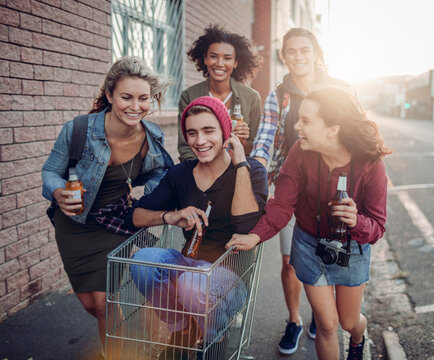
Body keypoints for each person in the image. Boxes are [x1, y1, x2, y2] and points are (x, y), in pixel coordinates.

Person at [227, 87, 391, 360]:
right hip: (307, 244)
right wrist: (255, 237)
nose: (296, 126)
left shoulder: (371, 165)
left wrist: (357, 221)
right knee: (327, 325)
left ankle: (359, 337)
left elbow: (377, 226)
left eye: (306, 121)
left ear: (332, 129)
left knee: (348, 322)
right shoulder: (300, 151)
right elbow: (281, 205)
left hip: (352, 248)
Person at [41, 56, 174, 356]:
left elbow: (160, 172)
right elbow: (50, 171)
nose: (135, 106)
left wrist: (144, 196)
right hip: (73, 226)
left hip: (116, 222)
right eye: (127, 97)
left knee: (105, 303)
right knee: (91, 304)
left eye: (144, 99)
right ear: (110, 94)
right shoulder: (78, 130)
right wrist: (58, 191)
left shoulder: (151, 138)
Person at [127, 96, 268, 357]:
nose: (200, 141)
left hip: (229, 274)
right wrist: (171, 216)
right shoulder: (181, 174)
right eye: (192, 133)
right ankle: (182, 331)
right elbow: (136, 216)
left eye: (208, 130)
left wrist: (241, 165)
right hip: (187, 261)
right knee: (142, 261)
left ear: (226, 133)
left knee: (193, 284)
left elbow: (247, 224)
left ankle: (213, 340)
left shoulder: (252, 172)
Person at [250, 27, 350, 354]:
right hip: (290, 183)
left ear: (316, 53)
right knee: (291, 260)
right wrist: (254, 167)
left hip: (332, 186)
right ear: (284, 56)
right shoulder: (279, 96)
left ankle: (321, 318)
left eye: (304, 50)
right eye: (290, 51)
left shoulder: (339, 90)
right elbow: (265, 139)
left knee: (332, 254)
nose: (298, 57)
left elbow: (355, 135)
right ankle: (294, 319)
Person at [178, 25, 262, 161]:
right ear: (205, 59)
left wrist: (244, 142)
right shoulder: (189, 96)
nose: (219, 63)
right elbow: (185, 148)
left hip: (236, 171)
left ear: (235, 63)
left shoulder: (251, 98)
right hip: (200, 173)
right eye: (213, 56)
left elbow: (255, 150)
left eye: (227, 58)